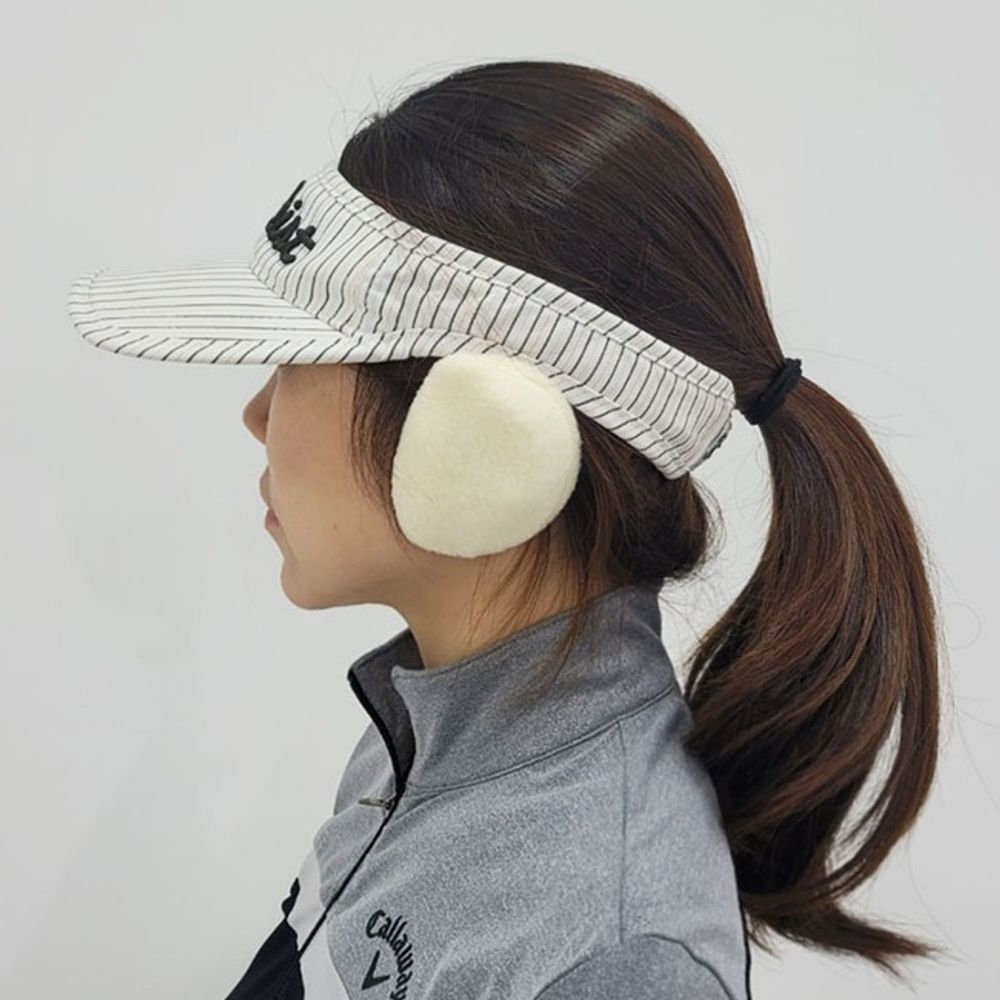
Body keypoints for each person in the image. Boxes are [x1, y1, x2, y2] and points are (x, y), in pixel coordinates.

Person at [67, 58, 948, 999]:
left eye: (295, 359)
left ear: (481, 436)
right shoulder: (428, 726)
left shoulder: (613, 949)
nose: (254, 413)